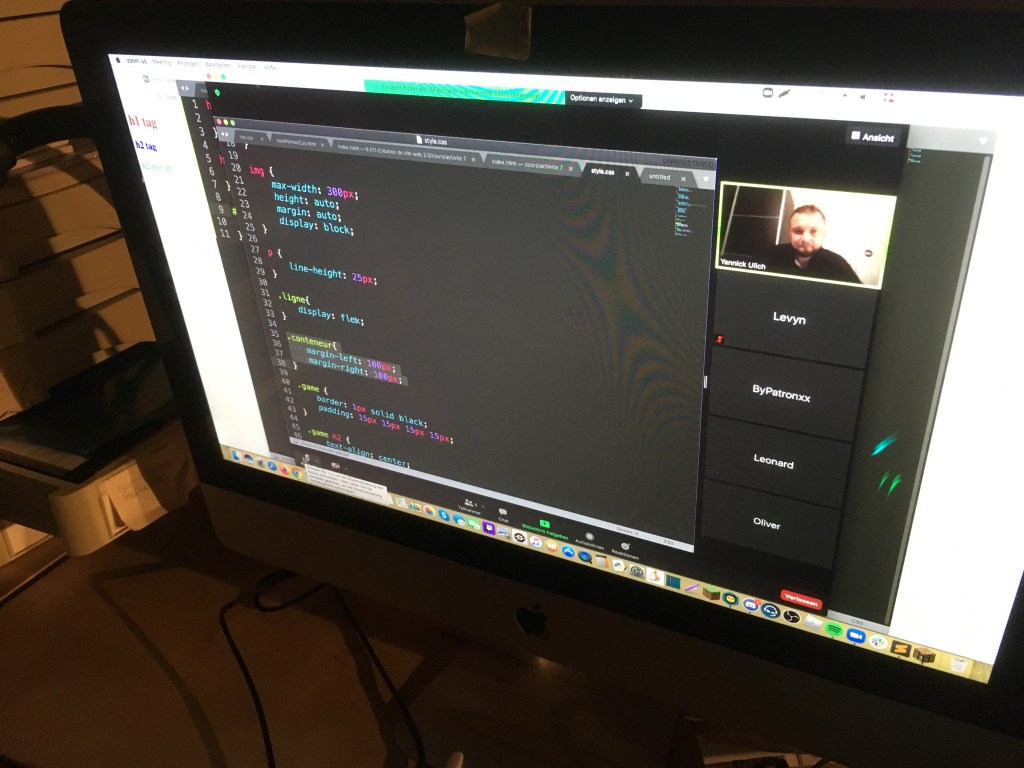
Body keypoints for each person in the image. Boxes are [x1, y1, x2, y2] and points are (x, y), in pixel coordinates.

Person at [763, 205, 861, 284]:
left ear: (823, 234)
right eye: (798, 231)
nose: (805, 239)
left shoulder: (838, 265)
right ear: (790, 233)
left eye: (814, 231)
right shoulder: (770, 255)